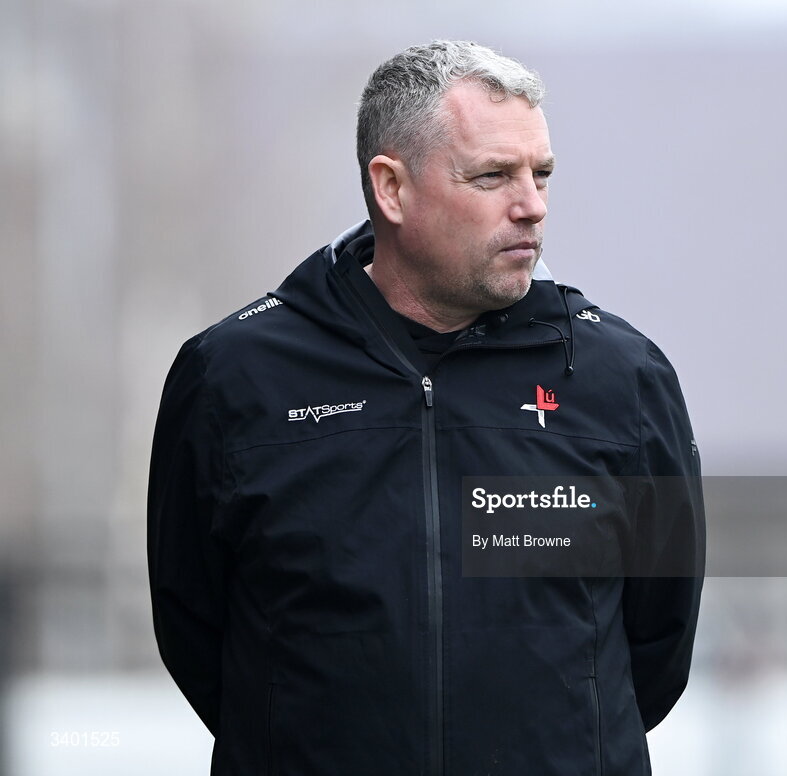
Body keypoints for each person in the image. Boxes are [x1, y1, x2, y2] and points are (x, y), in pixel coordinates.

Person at [148, 40, 704, 776]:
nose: (531, 206)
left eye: (541, 175)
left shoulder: (621, 378)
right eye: (492, 176)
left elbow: (657, 648)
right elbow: (197, 632)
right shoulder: (234, 376)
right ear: (391, 188)